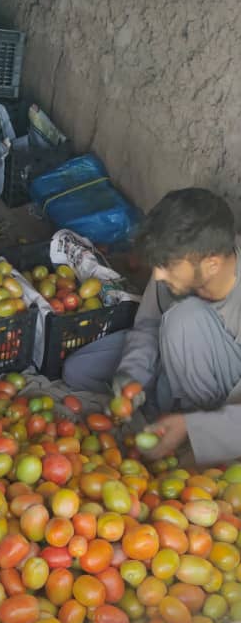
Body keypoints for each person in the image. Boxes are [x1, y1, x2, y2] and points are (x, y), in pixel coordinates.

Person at [63, 187, 241, 467]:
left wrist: (194, 427)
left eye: (167, 266)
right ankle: (162, 412)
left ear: (212, 265)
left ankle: (186, 430)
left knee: (184, 319)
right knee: (79, 369)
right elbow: (148, 325)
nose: (158, 276)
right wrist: (131, 373)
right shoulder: (181, 263)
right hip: (174, 351)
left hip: (224, 394)